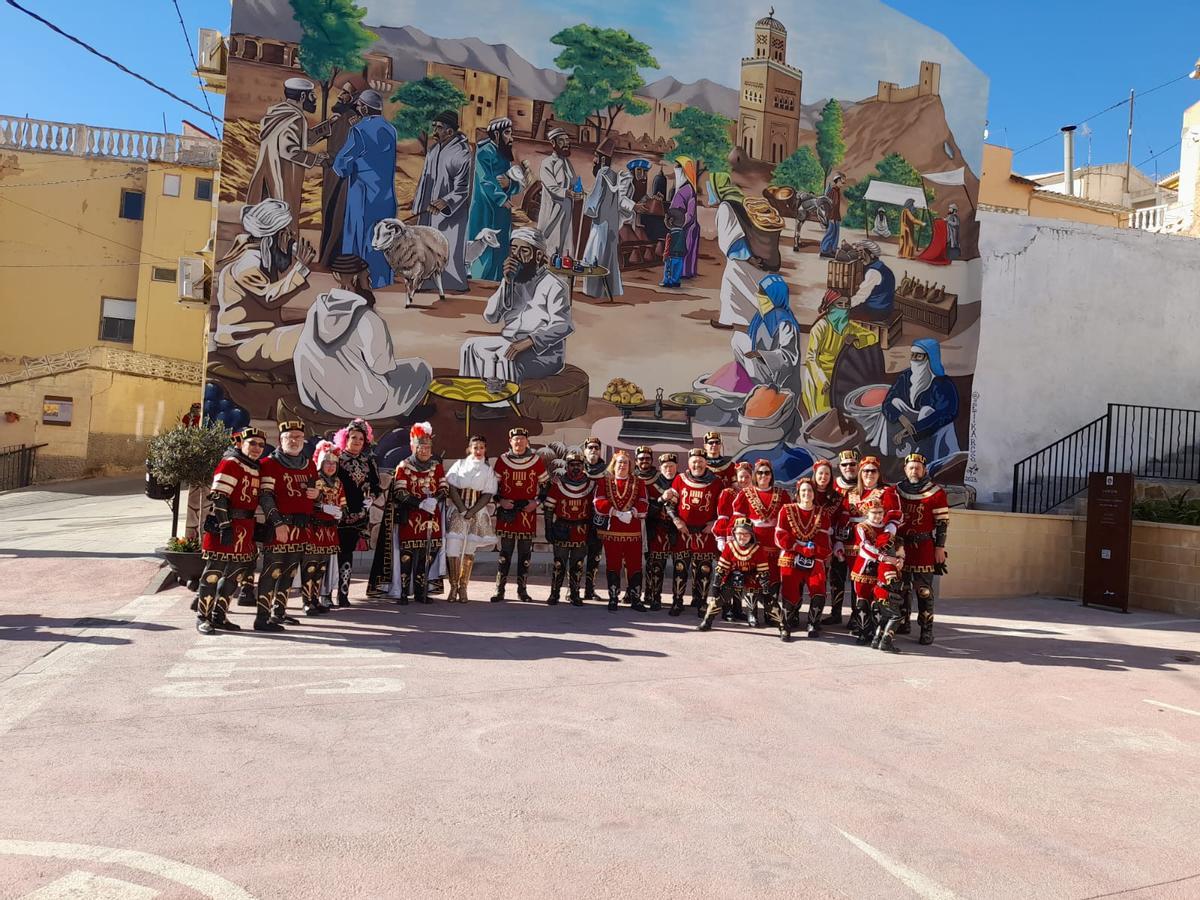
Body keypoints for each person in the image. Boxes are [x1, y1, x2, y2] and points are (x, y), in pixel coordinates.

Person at [293, 254, 433, 419]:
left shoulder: (316, 309)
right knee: (421, 368)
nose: (370, 283)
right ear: (354, 279)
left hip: (314, 397)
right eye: (367, 278)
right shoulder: (367, 318)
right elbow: (382, 367)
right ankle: (401, 417)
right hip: (358, 405)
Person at [458, 227, 574, 386]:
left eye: (524, 251)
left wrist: (529, 341)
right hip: (510, 341)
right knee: (470, 347)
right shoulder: (513, 279)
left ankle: (502, 408)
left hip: (544, 353)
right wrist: (506, 282)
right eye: (513, 249)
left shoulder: (555, 285)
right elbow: (490, 316)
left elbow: (563, 325)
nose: (516, 256)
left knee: (504, 358)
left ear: (538, 255)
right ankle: (472, 398)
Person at [212, 199, 314, 368]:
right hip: (246, 345)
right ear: (274, 235)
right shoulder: (247, 263)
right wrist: (300, 268)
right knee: (316, 333)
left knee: (317, 327)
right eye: (286, 232)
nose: (291, 236)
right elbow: (270, 297)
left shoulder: (258, 259)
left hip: (260, 338)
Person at [194, 428, 266, 635]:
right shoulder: (231, 463)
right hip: (226, 525)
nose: (257, 448)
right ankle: (203, 617)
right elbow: (219, 496)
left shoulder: (255, 467)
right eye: (252, 443)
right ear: (240, 443)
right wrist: (225, 526)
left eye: (261, 445)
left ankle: (219, 615)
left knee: (234, 575)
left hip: (245, 527)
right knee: (213, 573)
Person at [256, 420, 320, 629]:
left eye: (298, 437)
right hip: (280, 526)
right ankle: (262, 618)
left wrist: (316, 495)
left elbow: (314, 493)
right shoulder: (269, 464)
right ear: (280, 440)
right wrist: (277, 523)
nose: (294, 440)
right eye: (289, 437)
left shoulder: (309, 464)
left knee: (290, 572)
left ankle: (279, 612)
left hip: (301, 527)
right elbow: (266, 497)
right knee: (272, 571)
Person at [331, 89, 398, 289]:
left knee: (358, 235)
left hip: (362, 193)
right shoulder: (391, 130)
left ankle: (358, 279)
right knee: (382, 235)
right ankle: (381, 279)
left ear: (365, 107)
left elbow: (342, 164)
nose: (357, 108)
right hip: (385, 194)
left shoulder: (358, 130)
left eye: (359, 105)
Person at [246, 77, 330, 226]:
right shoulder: (295, 118)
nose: (315, 100)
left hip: (269, 175)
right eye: (312, 96)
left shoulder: (278, 115)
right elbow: (289, 150)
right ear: (303, 96)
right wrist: (316, 159)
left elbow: (301, 138)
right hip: (282, 179)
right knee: (284, 224)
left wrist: (327, 127)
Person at [379, 423, 446, 604]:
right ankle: (402, 592)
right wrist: (420, 503)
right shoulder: (404, 466)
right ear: (413, 447)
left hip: (432, 518)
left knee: (427, 556)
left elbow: (443, 488)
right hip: (411, 517)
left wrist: (435, 499)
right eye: (420, 447)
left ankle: (420, 591)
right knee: (407, 557)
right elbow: (400, 492)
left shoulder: (436, 466)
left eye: (427, 447)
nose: (424, 451)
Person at [835, 455, 902, 638]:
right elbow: (842, 517)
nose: (869, 474)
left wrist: (888, 533)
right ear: (860, 473)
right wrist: (839, 541)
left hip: (875, 541)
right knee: (857, 582)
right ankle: (858, 618)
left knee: (874, 582)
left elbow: (895, 515)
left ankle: (875, 622)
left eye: (873, 471)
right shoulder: (852, 492)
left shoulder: (887, 491)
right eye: (865, 471)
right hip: (852, 543)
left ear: (879, 473)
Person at [413, 110, 473, 293]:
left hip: (449, 214)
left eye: (439, 127)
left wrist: (445, 202)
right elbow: (425, 179)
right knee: (426, 246)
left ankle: (452, 283)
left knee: (447, 248)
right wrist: (418, 204)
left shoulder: (462, 153)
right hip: (429, 210)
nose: (435, 131)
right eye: (434, 126)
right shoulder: (433, 150)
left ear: (450, 131)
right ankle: (426, 280)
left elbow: (463, 189)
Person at [895, 452, 950, 645]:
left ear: (924, 469)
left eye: (918, 467)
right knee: (901, 587)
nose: (914, 470)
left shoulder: (935, 492)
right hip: (901, 546)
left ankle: (926, 629)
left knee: (923, 590)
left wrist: (939, 547)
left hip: (924, 546)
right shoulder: (897, 490)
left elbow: (942, 523)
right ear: (905, 469)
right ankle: (902, 622)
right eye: (911, 467)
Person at [490, 427, 549, 602]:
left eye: (522, 438)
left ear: (526, 441)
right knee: (504, 554)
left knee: (525, 555)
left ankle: (522, 590)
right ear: (510, 441)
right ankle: (499, 590)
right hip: (507, 512)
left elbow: (546, 486)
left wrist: (536, 502)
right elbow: (493, 486)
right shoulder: (502, 460)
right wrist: (500, 501)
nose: (519, 442)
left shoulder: (536, 461)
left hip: (526, 514)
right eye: (516, 439)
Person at [800, 290, 880, 418]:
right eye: (839, 304)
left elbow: (873, 336)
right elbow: (811, 357)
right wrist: (822, 380)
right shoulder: (821, 327)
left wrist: (857, 339)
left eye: (846, 304)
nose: (843, 308)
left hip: (841, 373)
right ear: (830, 306)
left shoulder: (849, 327)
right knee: (824, 415)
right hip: (821, 375)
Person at [711, 171, 776, 329]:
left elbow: (729, 236)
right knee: (744, 289)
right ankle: (728, 320)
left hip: (740, 255)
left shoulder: (726, 206)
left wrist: (745, 256)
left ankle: (759, 320)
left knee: (736, 290)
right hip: (753, 252)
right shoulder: (741, 201)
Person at [882, 339, 961, 467]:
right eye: (912, 355)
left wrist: (914, 428)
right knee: (895, 402)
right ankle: (894, 459)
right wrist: (902, 418)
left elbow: (946, 413)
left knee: (926, 411)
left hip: (933, 430)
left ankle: (926, 463)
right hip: (910, 427)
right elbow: (887, 403)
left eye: (918, 356)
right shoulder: (906, 377)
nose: (914, 360)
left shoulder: (942, 383)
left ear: (930, 358)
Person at [732, 458, 789, 627]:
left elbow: (788, 518)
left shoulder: (782, 494)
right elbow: (737, 518)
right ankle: (752, 612)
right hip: (753, 541)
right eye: (760, 473)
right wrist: (738, 540)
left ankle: (770, 612)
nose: (764, 476)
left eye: (767, 473)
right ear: (755, 475)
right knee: (752, 577)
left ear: (772, 475)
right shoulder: (745, 493)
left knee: (772, 577)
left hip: (774, 542)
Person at [667, 449, 724, 617]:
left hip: (705, 534)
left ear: (706, 463)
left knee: (704, 570)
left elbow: (723, 508)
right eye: (694, 461)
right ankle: (677, 601)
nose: (697, 464)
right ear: (689, 463)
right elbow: (670, 505)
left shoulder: (716, 482)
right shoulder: (680, 480)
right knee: (680, 569)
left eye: (700, 461)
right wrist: (676, 520)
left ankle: (700, 601)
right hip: (683, 533)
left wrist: (714, 523)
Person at [775, 477, 833, 641]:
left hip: (815, 556)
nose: (807, 493)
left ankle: (813, 623)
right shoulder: (786, 510)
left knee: (818, 587)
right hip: (791, 554)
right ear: (798, 494)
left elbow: (825, 540)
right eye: (803, 491)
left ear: (814, 493)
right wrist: (799, 548)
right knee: (790, 589)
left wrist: (813, 551)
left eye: (809, 490)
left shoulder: (822, 513)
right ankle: (785, 625)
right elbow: (780, 535)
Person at [592, 450, 649, 612]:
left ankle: (635, 598)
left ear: (630, 465)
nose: (622, 465)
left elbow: (644, 502)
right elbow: (598, 502)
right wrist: (616, 513)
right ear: (613, 465)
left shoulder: (639, 482)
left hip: (633, 532)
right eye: (619, 462)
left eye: (625, 462)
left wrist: (631, 513)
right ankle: (613, 598)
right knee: (613, 564)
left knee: (635, 565)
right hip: (612, 532)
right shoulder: (604, 482)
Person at [444, 434, 498, 603]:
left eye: (482, 447)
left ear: (485, 449)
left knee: (469, 550)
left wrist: (472, 511)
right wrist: (462, 509)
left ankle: (463, 587)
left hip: (477, 512)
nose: (479, 451)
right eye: (475, 447)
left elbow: (488, 493)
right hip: (458, 510)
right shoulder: (459, 465)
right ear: (469, 449)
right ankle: (453, 587)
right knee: (453, 548)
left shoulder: (488, 470)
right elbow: (451, 487)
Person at [469, 117, 524, 282]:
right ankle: (481, 280)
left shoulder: (503, 153)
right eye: (507, 133)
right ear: (497, 134)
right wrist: (501, 198)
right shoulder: (484, 152)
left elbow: (511, 181)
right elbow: (485, 179)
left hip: (502, 210)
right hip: (485, 208)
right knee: (484, 247)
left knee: (500, 245)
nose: (511, 137)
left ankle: (498, 279)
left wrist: (509, 184)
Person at [332, 418, 379, 607]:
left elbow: (376, 485)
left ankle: (343, 593)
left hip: (358, 515)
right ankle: (324, 593)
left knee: (347, 554)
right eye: (353, 437)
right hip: (337, 514)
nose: (357, 441)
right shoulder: (336, 458)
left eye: (361, 438)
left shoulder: (368, 461)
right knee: (328, 555)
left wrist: (372, 498)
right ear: (345, 438)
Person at [733, 273, 802, 397]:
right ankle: (748, 381)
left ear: (774, 296)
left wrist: (762, 355)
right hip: (762, 367)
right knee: (737, 338)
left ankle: (756, 385)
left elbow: (789, 357)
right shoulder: (761, 317)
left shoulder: (785, 323)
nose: (759, 297)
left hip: (778, 377)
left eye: (763, 295)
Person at [851, 499, 906, 652]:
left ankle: (877, 635)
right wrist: (885, 558)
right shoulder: (861, 527)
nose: (877, 516)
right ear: (867, 513)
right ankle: (862, 633)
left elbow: (897, 545)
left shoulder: (888, 528)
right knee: (862, 601)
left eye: (880, 512)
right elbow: (865, 547)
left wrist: (899, 559)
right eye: (874, 513)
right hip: (864, 569)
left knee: (880, 604)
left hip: (882, 573)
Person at [698, 518, 771, 633]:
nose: (743, 537)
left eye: (746, 534)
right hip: (733, 576)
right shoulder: (730, 546)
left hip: (751, 577)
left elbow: (763, 571)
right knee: (718, 599)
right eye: (740, 533)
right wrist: (716, 585)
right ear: (734, 533)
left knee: (760, 597)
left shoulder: (757, 548)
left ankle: (753, 615)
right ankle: (707, 621)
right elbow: (721, 567)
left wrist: (766, 589)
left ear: (752, 535)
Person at [582, 138, 633, 299]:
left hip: (600, 222)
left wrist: (586, 204)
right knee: (609, 256)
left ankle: (594, 290)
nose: (594, 160)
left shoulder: (602, 174)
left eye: (596, 157)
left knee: (595, 254)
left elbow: (594, 200)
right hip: (611, 223)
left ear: (603, 159)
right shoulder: (615, 176)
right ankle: (611, 289)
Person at [318, 82, 361, 267]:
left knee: (338, 215)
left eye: (345, 93)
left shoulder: (352, 119)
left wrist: (332, 158)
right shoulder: (338, 117)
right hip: (331, 173)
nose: (340, 96)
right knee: (328, 213)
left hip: (342, 176)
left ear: (354, 98)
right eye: (341, 91)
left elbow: (348, 150)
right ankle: (326, 257)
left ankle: (333, 258)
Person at [543, 450, 593, 606]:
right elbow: (549, 508)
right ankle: (554, 593)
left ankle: (575, 594)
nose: (575, 468)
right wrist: (548, 529)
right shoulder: (558, 484)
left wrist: (593, 531)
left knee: (577, 564)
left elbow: (594, 510)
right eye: (572, 465)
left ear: (583, 466)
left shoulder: (591, 485)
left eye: (578, 465)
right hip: (562, 529)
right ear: (567, 466)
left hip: (581, 530)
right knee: (559, 563)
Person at [306, 440, 346, 613]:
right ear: (320, 463)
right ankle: (307, 601)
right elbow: (306, 503)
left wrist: (340, 512)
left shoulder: (338, 483)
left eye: (333, 463)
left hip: (330, 530)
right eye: (327, 462)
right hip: (315, 529)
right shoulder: (314, 480)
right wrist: (322, 506)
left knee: (322, 567)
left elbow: (342, 503)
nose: (330, 466)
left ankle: (315, 598)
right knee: (310, 566)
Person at [823, 450, 858, 627]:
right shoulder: (833, 485)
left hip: (858, 539)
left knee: (856, 578)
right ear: (839, 467)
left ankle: (856, 615)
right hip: (835, 537)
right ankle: (835, 612)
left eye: (852, 464)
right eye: (845, 464)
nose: (849, 467)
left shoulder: (865, 484)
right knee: (836, 577)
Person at [537, 128, 582, 259]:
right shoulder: (547, 163)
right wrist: (568, 193)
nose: (566, 143)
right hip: (553, 210)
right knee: (550, 239)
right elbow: (553, 188)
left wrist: (578, 193)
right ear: (553, 143)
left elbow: (573, 183)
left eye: (567, 140)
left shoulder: (567, 163)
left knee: (564, 241)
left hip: (567, 209)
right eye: (562, 141)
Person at [643, 452, 680, 612]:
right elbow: (647, 508)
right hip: (658, 528)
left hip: (678, 529)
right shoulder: (652, 483)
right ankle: (654, 597)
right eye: (665, 466)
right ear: (660, 467)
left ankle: (677, 601)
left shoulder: (683, 482)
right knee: (656, 566)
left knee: (680, 567)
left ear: (676, 467)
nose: (669, 469)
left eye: (672, 466)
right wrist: (660, 499)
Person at [581, 437, 608, 601]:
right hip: (578, 518)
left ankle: (590, 589)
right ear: (584, 450)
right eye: (590, 447)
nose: (593, 450)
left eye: (596, 448)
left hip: (598, 520)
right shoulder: (577, 468)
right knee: (577, 555)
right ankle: (573, 589)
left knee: (595, 555)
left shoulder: (607, 472)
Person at [848, 240, 897, 321]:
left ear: (872, 254)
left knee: (845, 313)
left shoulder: (873, 272)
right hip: (887, 307)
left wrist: (847, 305)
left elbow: (862, 296)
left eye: (862, 252)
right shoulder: (882, 267)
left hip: (877, 311)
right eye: (858, 253)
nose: (859, 257)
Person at [669, 156, 700, 279]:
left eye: (678, 167)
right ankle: (684, 272)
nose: (676, 170)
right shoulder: (685, 188)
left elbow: (690, 213)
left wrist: (679, 223)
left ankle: (683, 273)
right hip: (683, 225)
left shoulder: (687, 189)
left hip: (686, 226)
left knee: (683, 249)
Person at [714, 462, 752, 553]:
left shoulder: (755, 493)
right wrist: (721, 538)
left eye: (747, 477)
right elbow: (723, 517)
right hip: (733, 536)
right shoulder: (728, 493)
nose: (744, 480)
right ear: (736, 478)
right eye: (741, 477)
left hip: (752, 536)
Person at [819, 172, 846, 259]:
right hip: (832, 216)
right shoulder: (833, 191)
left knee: (835, 234)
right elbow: (830, 205)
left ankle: (832, 250)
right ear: (837, 180)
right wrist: (830, 217)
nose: (843, 184)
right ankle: (824, 250)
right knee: (830, 233)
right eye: (842, 182)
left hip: (836, 216)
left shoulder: (837, 191)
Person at [660, 207, 687, 288]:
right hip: (681, 255)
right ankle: (676, 281)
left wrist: (665, 255)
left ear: (671, 221)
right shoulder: (682, 233)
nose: (664, 221)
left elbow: (667, 246)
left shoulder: (670, 234)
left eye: (665, 218)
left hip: (671, 255)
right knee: (678, 269)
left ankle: (667, 281)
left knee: (669, 269)